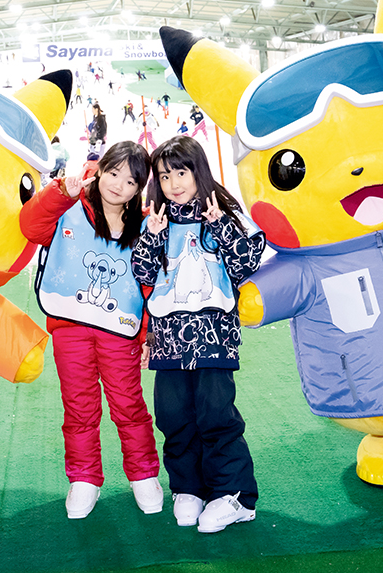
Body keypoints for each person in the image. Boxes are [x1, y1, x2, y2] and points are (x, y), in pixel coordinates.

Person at [19, 142, 162, 520]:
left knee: (128, 404)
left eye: (130, 181)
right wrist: (59, 193)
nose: (118, 185)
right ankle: (84, 477)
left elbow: (148, 284)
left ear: (139, 188)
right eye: (113, 173)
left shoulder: (145, 224)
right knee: (79, 405)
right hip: (71, 326)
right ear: (100, 171)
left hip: (119, 329)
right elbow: (30, 227)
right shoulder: (69, 207)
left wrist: (147, 335)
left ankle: (144, 473)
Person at [131, 135, 266, 534]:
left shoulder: (223, 209)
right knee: (174, 416)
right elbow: (142, 273)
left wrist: (220, 226)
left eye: (180, 173)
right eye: (164, 176)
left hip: (213, 337)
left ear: (197, 172)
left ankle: (235, 496)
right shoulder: (155, 218)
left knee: (216, 414)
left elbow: (246, 263)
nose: (173, 183)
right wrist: (153, 235)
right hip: (169, 340)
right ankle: (188, 488)